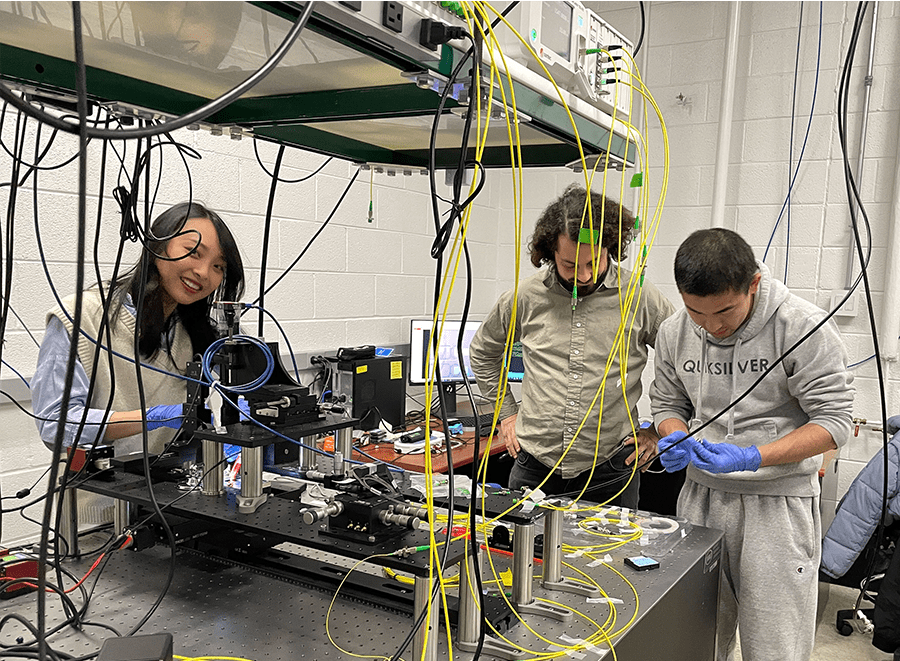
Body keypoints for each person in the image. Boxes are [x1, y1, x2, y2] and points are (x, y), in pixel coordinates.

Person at [650, 228, 855, 661]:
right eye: (696, 313)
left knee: (773, 645)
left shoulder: (801, 326)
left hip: (776, 508)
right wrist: (673, 436)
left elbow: (834, 421)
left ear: (754, 284)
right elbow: (668, 402)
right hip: (700, 499)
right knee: (695, 639)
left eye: (724, 310)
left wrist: (752, 456)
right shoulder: (673, 330)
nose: (712, 326)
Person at [468, 184, 675, 507]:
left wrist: (658, 432)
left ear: (611, 247)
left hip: (613, 468)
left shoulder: (640, 297)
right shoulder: (525, 297)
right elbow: (483, 351)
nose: (584, 275)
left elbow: (683, 359)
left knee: (614, 558)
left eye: (595, 262)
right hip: (534, 465)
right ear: (550, 252)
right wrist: (507, 414)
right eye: (570, 265)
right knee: (521, 557)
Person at [32, 202, 245, 457]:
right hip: (100, 495)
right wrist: (153, 417)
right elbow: (56, 424)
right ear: (157, 248)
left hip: (170, 492)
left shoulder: (199, 333)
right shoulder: (80, 317)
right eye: (194, 252)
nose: (203, 272)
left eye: (218, 267)